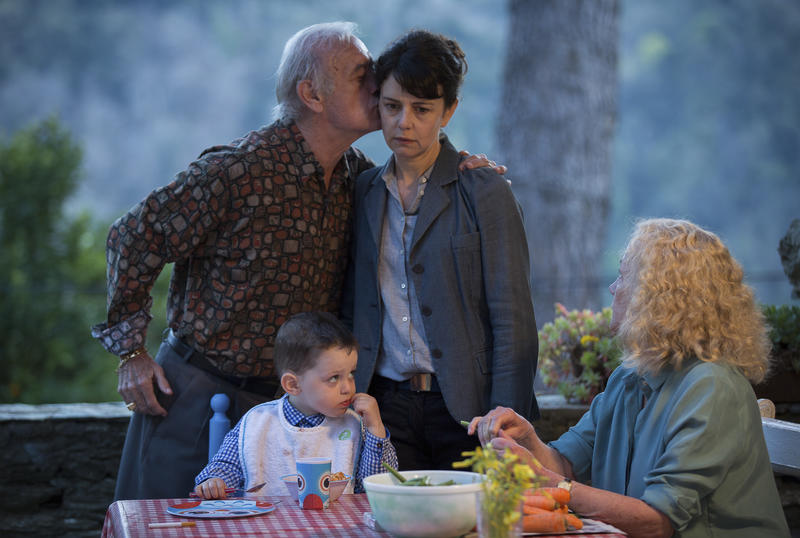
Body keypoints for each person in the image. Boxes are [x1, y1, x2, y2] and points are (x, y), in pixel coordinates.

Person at [91, 22, 501, 500]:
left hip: (300, 410)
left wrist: (463, 170)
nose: (379, 83)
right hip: (196, 397)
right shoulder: (238, 170)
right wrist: (131, 352)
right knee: (170, 524)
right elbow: (131, 237)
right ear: (312, 94)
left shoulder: (359, 179)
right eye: (361, 75)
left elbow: (419, 183)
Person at [469, 218, 791, 538]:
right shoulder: (629, 377)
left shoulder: (712, 386)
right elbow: (565, 465)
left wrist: (551, 484)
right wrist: (529, 442)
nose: (613, 288)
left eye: (623, 277)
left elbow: (657, 522)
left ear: (657, 298)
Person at [342, 30, 538, 471]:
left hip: (471, 412)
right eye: (391, 106)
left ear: (448, 110)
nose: (403, 122)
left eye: (422, 109)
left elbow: (514, 321)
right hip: (384, 408)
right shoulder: (364, 191)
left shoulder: (483, 190)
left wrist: (505, 419)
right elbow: (354, 307)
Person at [193, 311, 397, 498]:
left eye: (351, 374)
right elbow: (224, 466)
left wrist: (375, 429)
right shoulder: (258, 422)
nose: (348, 388)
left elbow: (378, 489)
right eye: (334, 378)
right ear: (293, 384)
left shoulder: (355, 425)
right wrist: (214, 482)